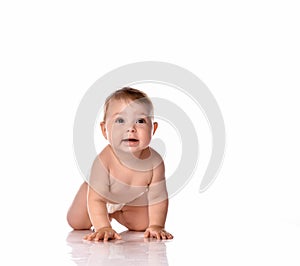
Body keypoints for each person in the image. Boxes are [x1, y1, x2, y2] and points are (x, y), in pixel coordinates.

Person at [67, 87, 173, 241]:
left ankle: (114, 213)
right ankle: (104, 217)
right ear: (105, 130)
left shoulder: (155, 162)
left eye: (140, 121)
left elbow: (158, 197)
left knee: (143, 225)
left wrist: (157, 225)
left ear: (153, 129)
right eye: (120, 120)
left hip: (127, 201)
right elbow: (96, 199)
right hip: (96, 196)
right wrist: (103, 227)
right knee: (77, 222)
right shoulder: (104, 161)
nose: (131, 128)